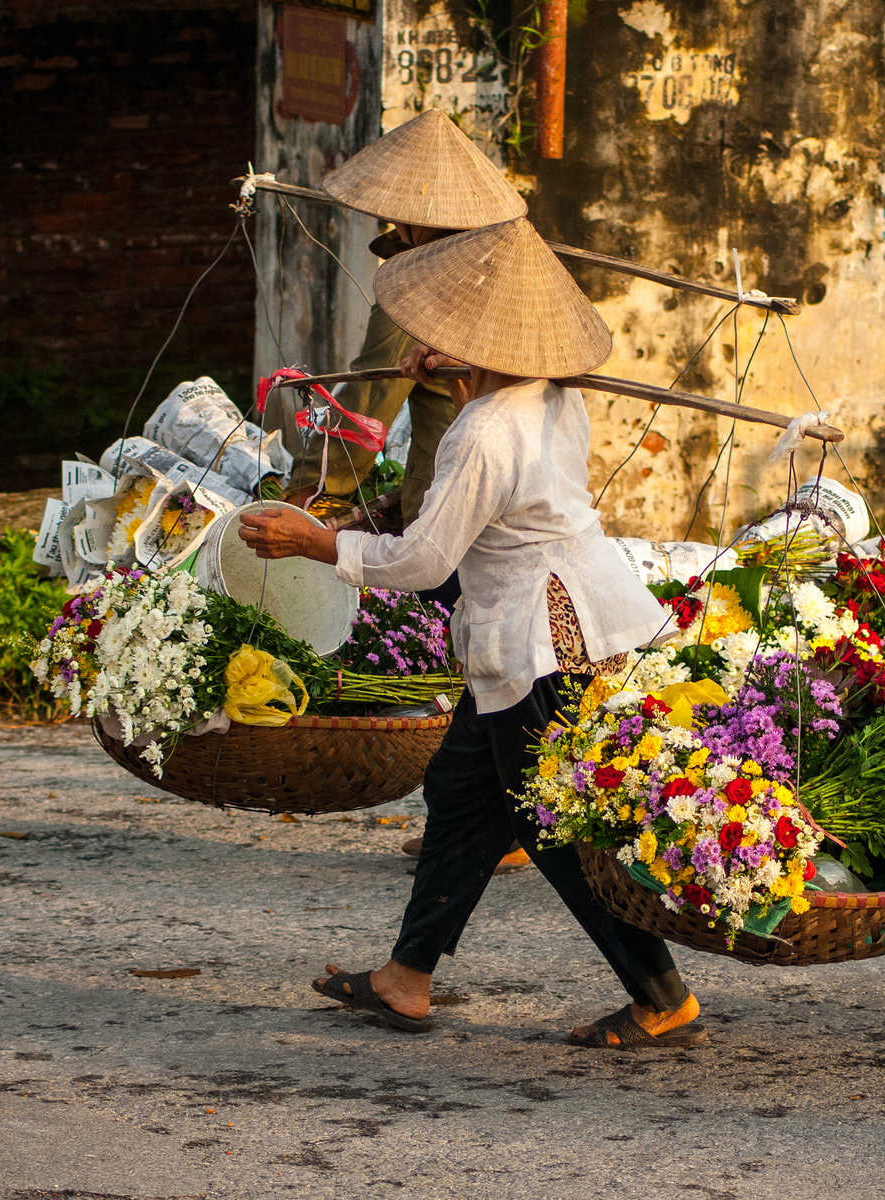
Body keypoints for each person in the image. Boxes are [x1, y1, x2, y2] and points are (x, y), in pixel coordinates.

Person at [237, 217, 706, 1049]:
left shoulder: (486, 431)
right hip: (559, 621)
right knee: (462, 793)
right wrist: (461, 387)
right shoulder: (544, 398)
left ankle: (660, 995)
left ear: (471, 344)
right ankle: (405, 978)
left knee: (548, 822)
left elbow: (422, 559)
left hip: (537, 641)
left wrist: (314, 541)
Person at [283, 107, 526, 529]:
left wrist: (308, 492)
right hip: (503, 482)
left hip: (460, 493)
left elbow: (371, 396)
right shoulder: (496, 255)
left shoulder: (421, 279)